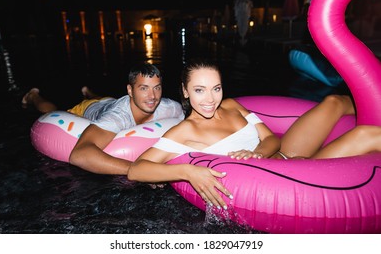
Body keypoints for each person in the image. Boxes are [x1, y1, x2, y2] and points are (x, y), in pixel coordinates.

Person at [127, 59, 381, 209]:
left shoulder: (231, 105)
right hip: (289, 181)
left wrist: (256, 153)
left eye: (216, 88)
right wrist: (187, 171)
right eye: (200, 90)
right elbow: (137, 169)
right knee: (367, 136)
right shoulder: (185, 131)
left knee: (334, 101)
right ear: (185, 91)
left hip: (284, 155)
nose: (210, 99)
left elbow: (272, 138)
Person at [22, 62, 185, 175]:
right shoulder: (116, 117)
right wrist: (139, 170)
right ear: (130, 90)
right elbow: (79, 155)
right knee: (53, 110)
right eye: (144, 88)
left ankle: (88, 91)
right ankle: (33, 96)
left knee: (107, 100)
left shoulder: (170, 107)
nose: (152, 96)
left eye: (157, 88)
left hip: (110, 102)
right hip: (89, 108)